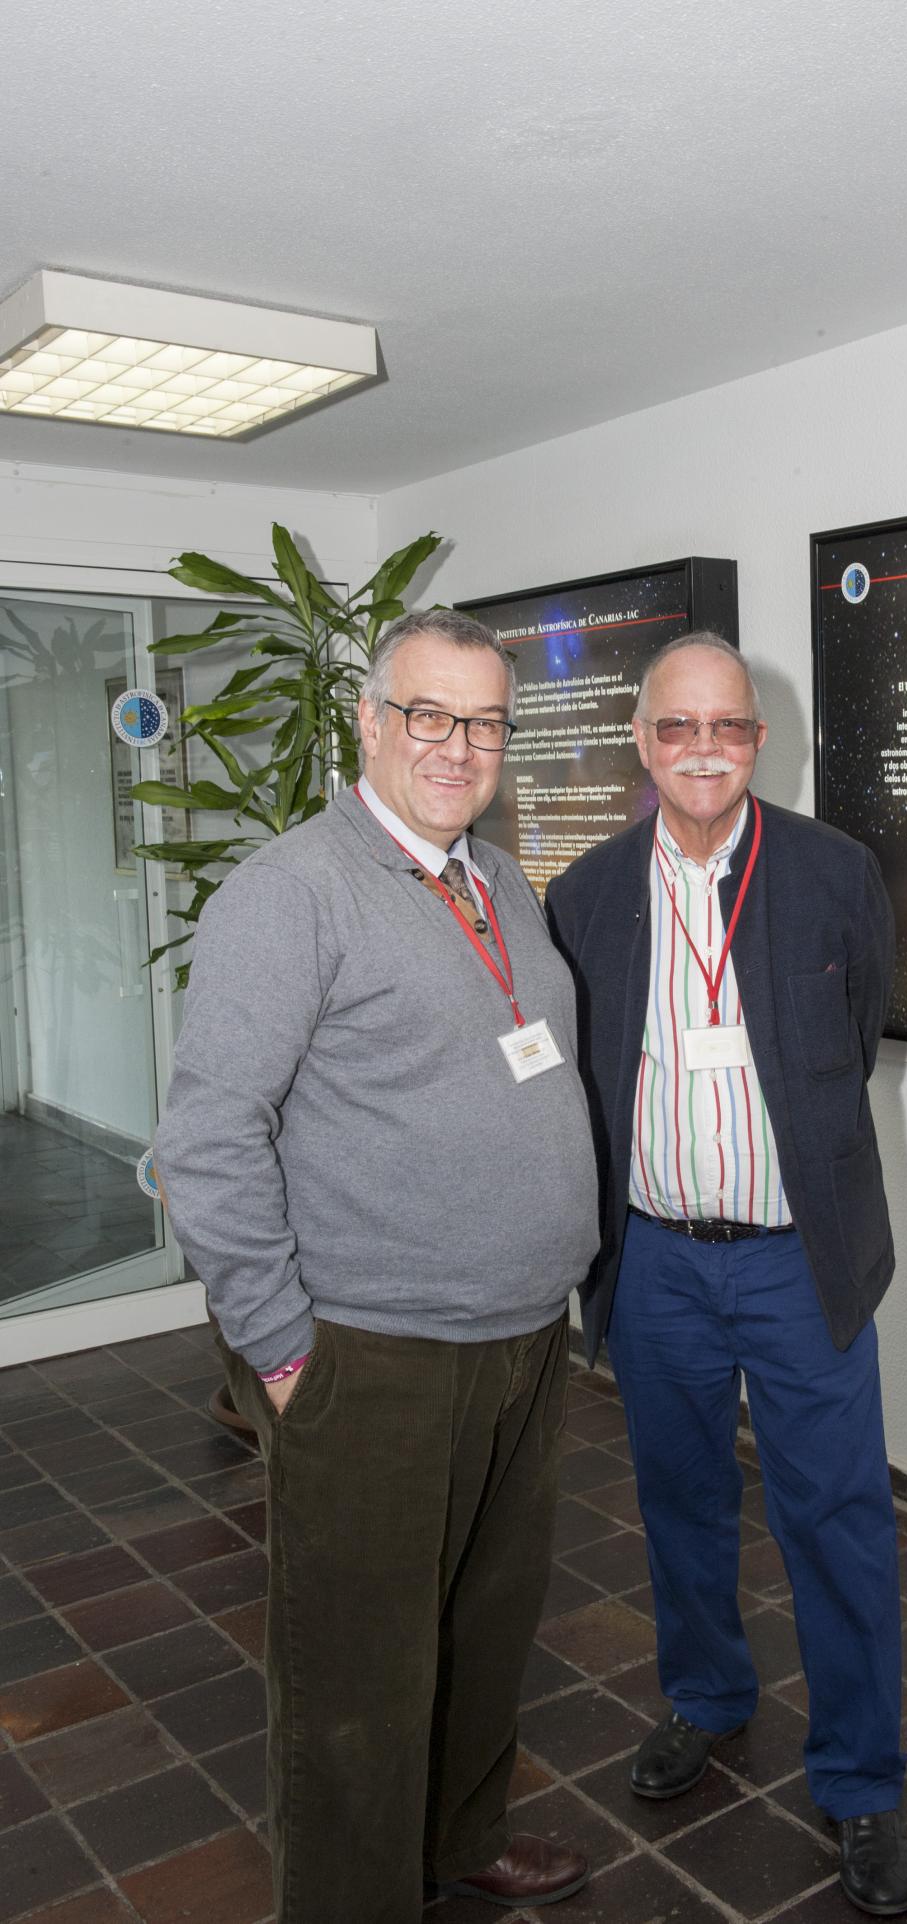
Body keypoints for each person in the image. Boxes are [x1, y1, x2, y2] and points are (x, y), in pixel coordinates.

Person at [156, 609, 599, 1924]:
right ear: (369, 720)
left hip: (522, 1339)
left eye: (484, 721)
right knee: (359, 1678)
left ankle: (459, 1837)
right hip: (375, 1357)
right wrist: (285, 1351)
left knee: (483, 1632)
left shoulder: (498, 881)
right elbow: (210, 1134)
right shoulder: (292, 891)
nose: (459, 747)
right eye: (429, 714)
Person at [545, 632, 907, 1917]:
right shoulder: (586, 893)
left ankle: (861, 1780)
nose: (704, 749)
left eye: (730, 728)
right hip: (653, 1260)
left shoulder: (829, 873)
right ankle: (704, 1701)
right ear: (641, 743)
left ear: (758, 741)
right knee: (679, 1504)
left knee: (837, 1520)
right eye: (678, 727)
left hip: (790, 1259)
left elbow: (854, 1034)